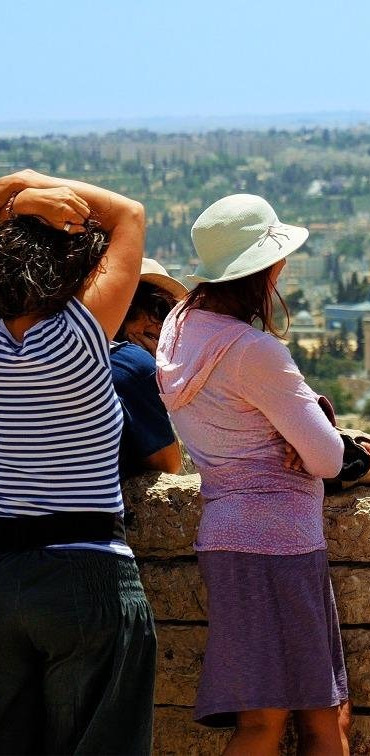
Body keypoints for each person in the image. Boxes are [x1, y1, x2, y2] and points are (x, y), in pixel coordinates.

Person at [156, 194, 349, 755]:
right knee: (315, 719)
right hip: (282, 544)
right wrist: (307, 428)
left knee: (269, 717)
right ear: (268, 267)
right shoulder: (252, 351)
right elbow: (329, 459)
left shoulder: (179, 331)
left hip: (226, 534)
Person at [0, 170, 156, 753]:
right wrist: (35, 185)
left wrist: (14, 193)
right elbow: (130, 214)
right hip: (86, 574)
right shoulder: (84, 334)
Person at [111, 258, 185, 478]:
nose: (159, 323)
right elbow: (168, 463)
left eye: (166, 313)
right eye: (153, 307)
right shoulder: (132, 365)